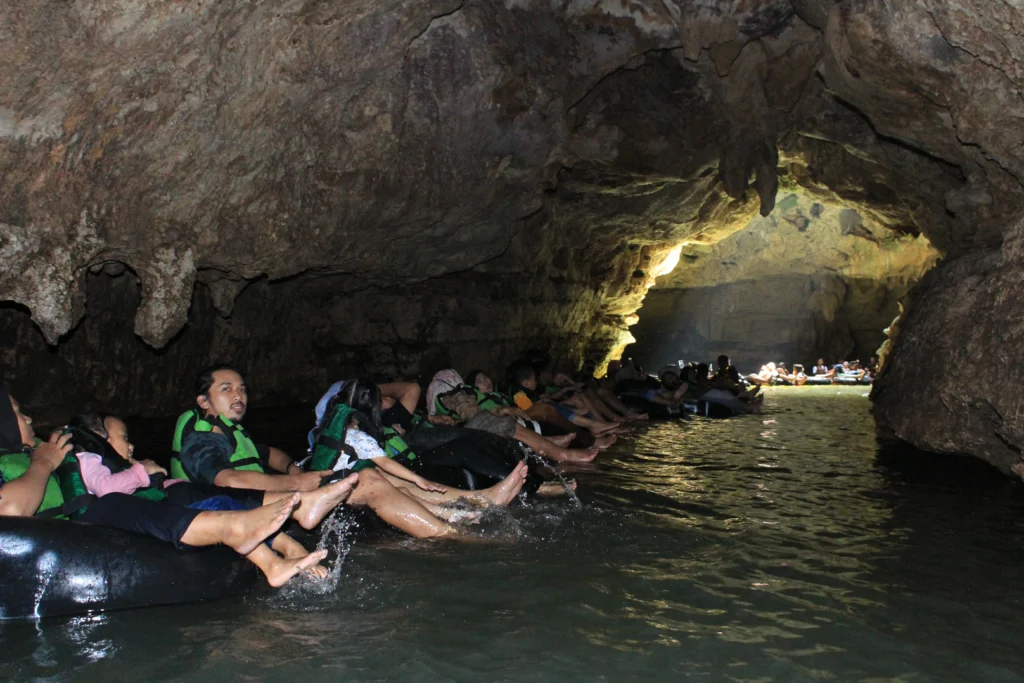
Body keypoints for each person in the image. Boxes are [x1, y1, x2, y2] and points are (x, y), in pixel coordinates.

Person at [0, 389, 326, 586]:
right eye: (17, 413)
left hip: (97, 527)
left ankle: (292, 517)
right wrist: (43, 464)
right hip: (62, 547)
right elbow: (11, 514)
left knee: (185, 492)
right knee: (113, 503)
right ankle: (244, 527)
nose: (29, 418)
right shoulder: (34, 459)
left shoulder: (39, 451)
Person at [177, 366, 478, 540]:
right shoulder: (203, 438)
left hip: (263, 495)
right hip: (228, 509)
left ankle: (465, 505)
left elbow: (271, 455)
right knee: (368, 481)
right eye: (226, 389)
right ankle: (448, 534)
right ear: (203, 401)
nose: (238, 396)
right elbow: (226, 481)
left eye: (241, 389)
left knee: (369, 472)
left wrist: (294, 469)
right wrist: (297, 484)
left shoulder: (230, 432)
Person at [69, 411, 358, 579]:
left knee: (226, 502)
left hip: (169, 495)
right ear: (101, 438)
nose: (130, 445)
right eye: (124, 437)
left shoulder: (123, 464)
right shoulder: (89, 457)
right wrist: (142, 471)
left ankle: (286, 550)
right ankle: (276, 556)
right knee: (222, 504)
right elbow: (106, 490)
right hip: (143, 512)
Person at [428, 369, 599, 462]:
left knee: (546, 408)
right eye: (479, 380)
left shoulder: (497, 395)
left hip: (510, 420)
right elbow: (471, 415)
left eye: (486, 377)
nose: (486, 381)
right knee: (542, 409)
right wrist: (501, 410)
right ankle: (565, 449)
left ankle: (562, 441)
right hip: (500, 423)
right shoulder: (464, 396)